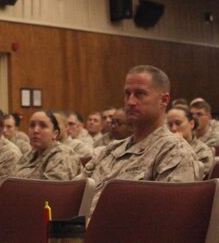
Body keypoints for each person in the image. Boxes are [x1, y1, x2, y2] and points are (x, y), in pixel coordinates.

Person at [84, 66, 197, 210]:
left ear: (163, 100)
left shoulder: (174, 151)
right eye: (127, 94)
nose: (130, 102)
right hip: (77, 229)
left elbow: (168, 219)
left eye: (140, 94)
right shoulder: (110, 150)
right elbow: (74, 193)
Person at [12, 112, 84, 180]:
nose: (35, 130)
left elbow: (50, 190)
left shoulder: (63, 155)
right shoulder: (28, 156)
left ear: (55, 134)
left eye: (43, 126)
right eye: (32, 125)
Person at [166, 106, 213, 179]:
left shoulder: (203, 151)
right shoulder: (162, 148)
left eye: (178, 123)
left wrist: (180, 145)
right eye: (170, 125)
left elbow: (188, 180)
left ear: (191, 124)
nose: (174, 128)